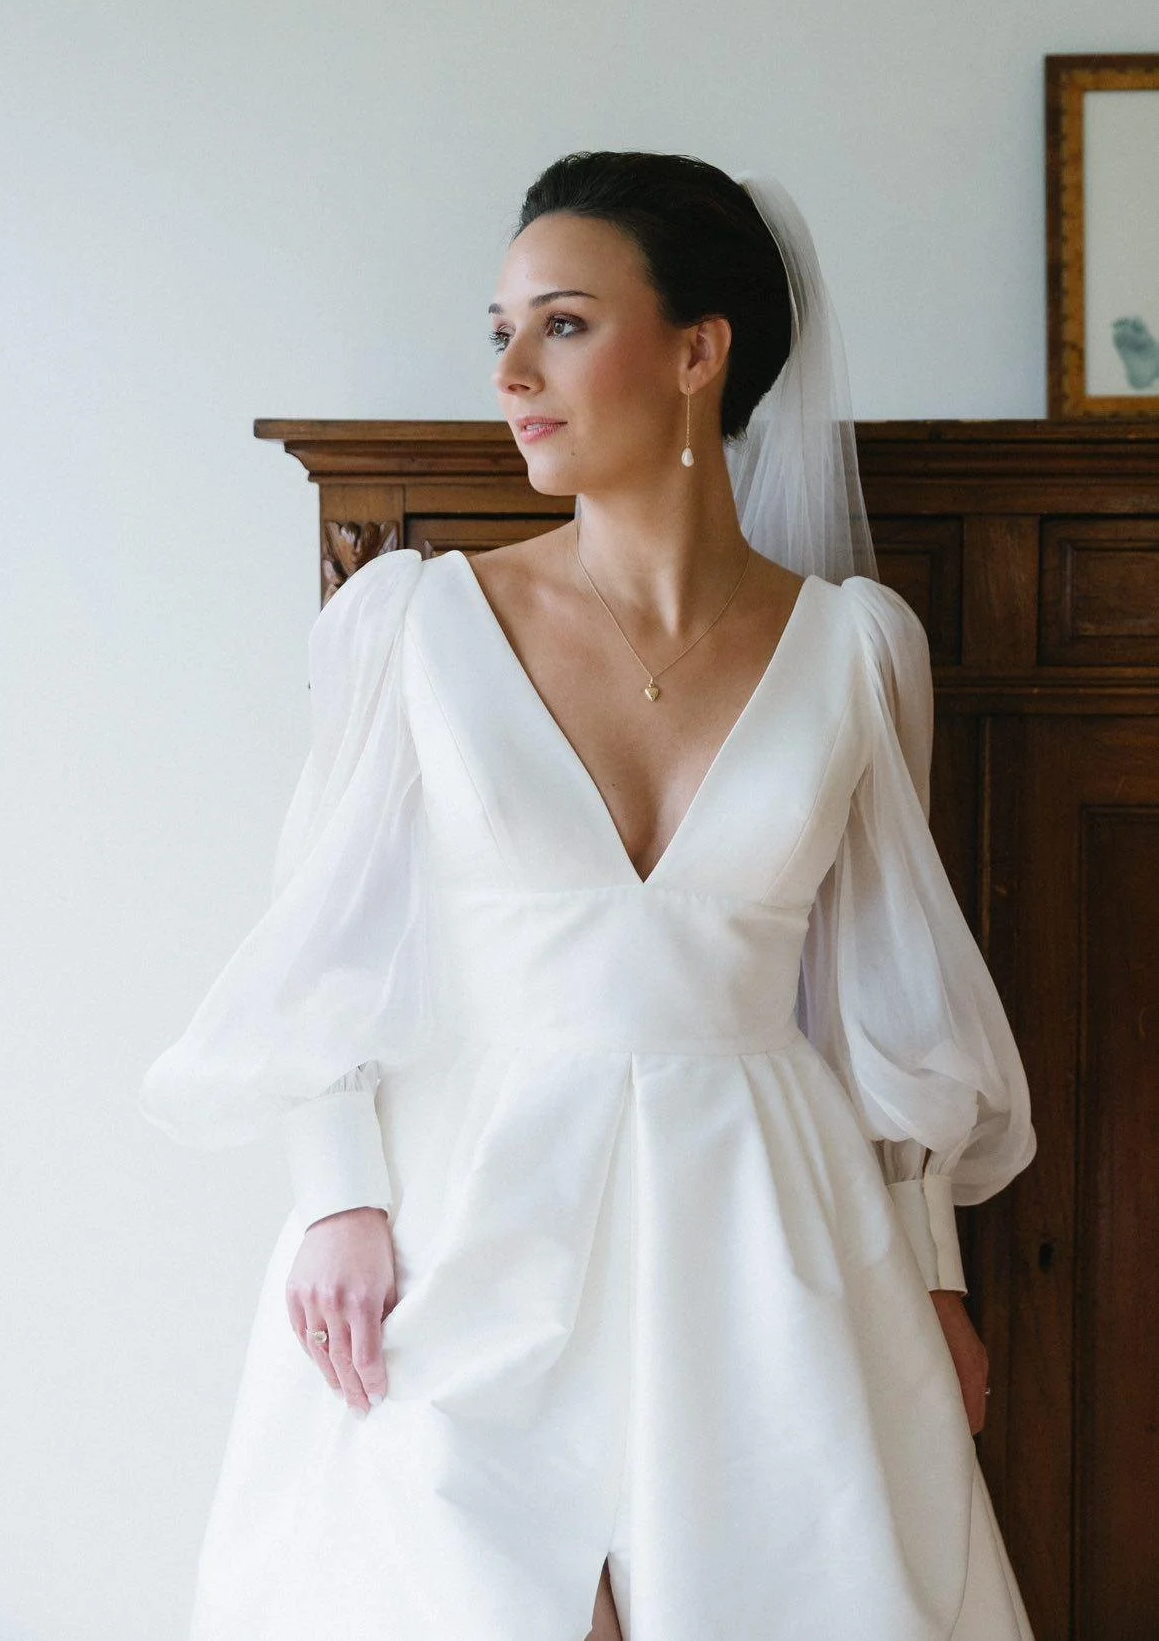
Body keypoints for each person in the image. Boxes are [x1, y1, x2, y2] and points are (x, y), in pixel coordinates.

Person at [140, 151, 1037, 1640]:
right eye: (501, 330)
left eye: (561, 324)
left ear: (697, 353)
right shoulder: (412, 622)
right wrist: (339, 1199)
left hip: (763, 1227)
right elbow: (323, 945)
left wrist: (932, 1279)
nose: (510, 373)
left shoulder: (856, 650)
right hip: (471, 1216)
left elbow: (879, 998)